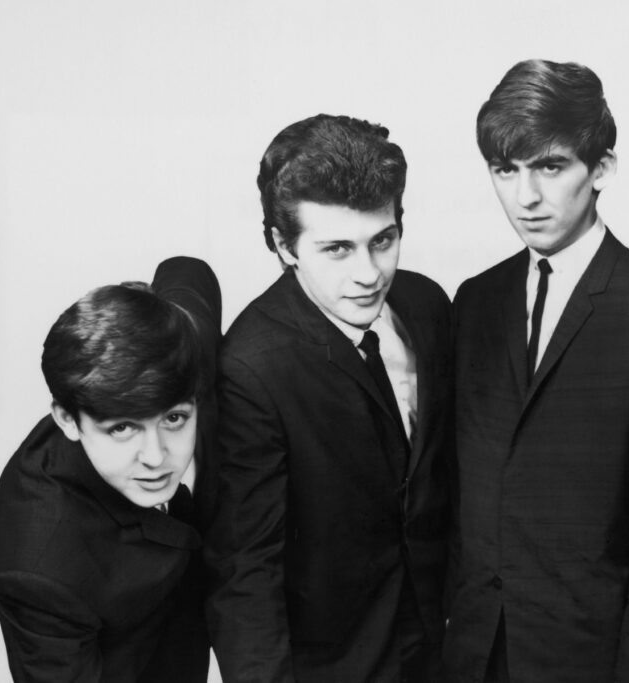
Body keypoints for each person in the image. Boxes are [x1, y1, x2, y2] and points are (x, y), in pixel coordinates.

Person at [446, 59, 629, 683]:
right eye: (506, 169)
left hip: (590, 663)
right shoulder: (474, 301)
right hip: (470, 655)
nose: (526, 197)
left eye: (550, 166)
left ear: (601, 169)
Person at [205, 114, 452, 682]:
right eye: (337, 248)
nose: (369, 274)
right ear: (283, 245)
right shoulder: (251, 367)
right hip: (335, 666)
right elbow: (245, 570)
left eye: (382, 241)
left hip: (440, 650)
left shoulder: (427, 306)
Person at [0, 256, 221, 682]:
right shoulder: (42, 573)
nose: (156, 457)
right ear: (67, 419)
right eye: (122, 428)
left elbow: (187, 270)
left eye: (173, 419)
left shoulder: (182, 351)